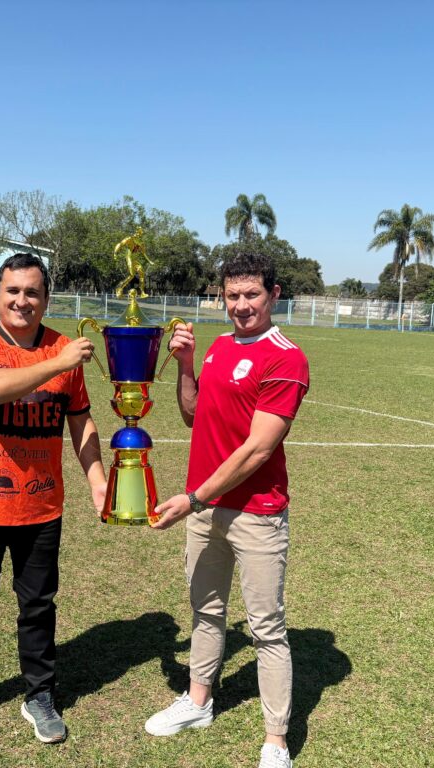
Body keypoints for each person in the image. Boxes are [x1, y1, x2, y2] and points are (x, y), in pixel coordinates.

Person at [144, 251, 310, 768]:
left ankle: (275, 741)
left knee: (266, 628)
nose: (240, 306)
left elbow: (259, 449)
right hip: (205, 510)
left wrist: (195, 497)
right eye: (232, 295)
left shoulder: (286, 356)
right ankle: (198, 703)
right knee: (206, 611)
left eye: (251, 295)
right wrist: (188, 366)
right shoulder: (218, 347)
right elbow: (193, 414)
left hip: (256, 512)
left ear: (274, 295)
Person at [0, 253, 108, 747]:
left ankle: (39, 695)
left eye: (32, 292)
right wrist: (56, 361)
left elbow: (81, 421)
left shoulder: (63, 351)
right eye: (12, 290)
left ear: (46, 299)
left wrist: (97, 479)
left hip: (41, 506)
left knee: (38, 606)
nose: (21, 300)